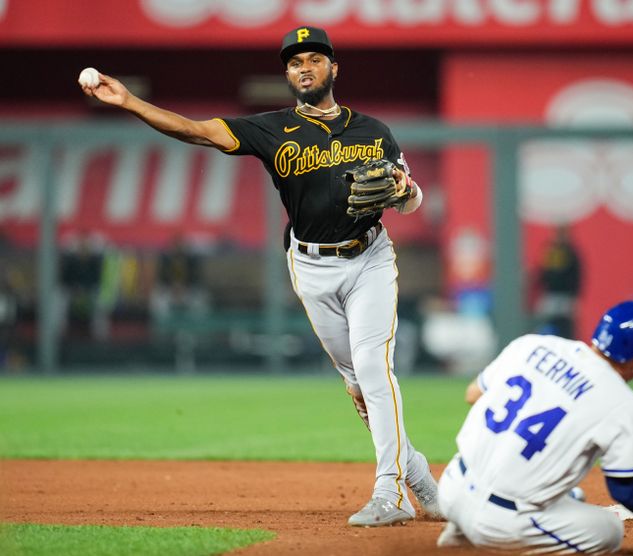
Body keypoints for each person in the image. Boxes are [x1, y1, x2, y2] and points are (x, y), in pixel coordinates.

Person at [79, 26, 440, 527]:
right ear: (287, 74)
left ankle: (392, 491)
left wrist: (404, 190)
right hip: (310, 266)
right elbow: (197, 130)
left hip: (369, 260)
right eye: (295, 62)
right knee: (359, 385)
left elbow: (412, 198)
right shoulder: (271, 129)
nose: (304, 68)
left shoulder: (373, 130)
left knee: (375, 368)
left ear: (334, 68)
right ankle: (418, 474)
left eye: (315, 59)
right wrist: (130, 102)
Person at [436, 300, 633, 553]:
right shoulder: (621, 402)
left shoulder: (533, 344)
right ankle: (485, 538)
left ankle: (459, 532)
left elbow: (473, 394)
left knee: (571, 494)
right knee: (609, 531)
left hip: (450, 488)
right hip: (500, 524)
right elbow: (624, 491)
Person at [530, 224, 582, 339]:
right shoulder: (550, 250)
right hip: (550, 295)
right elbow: (543, 272)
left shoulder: (571, 252)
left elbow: (576, 275)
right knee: (544, 322)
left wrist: (573, 296)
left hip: (565, 297)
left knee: (566, 326)